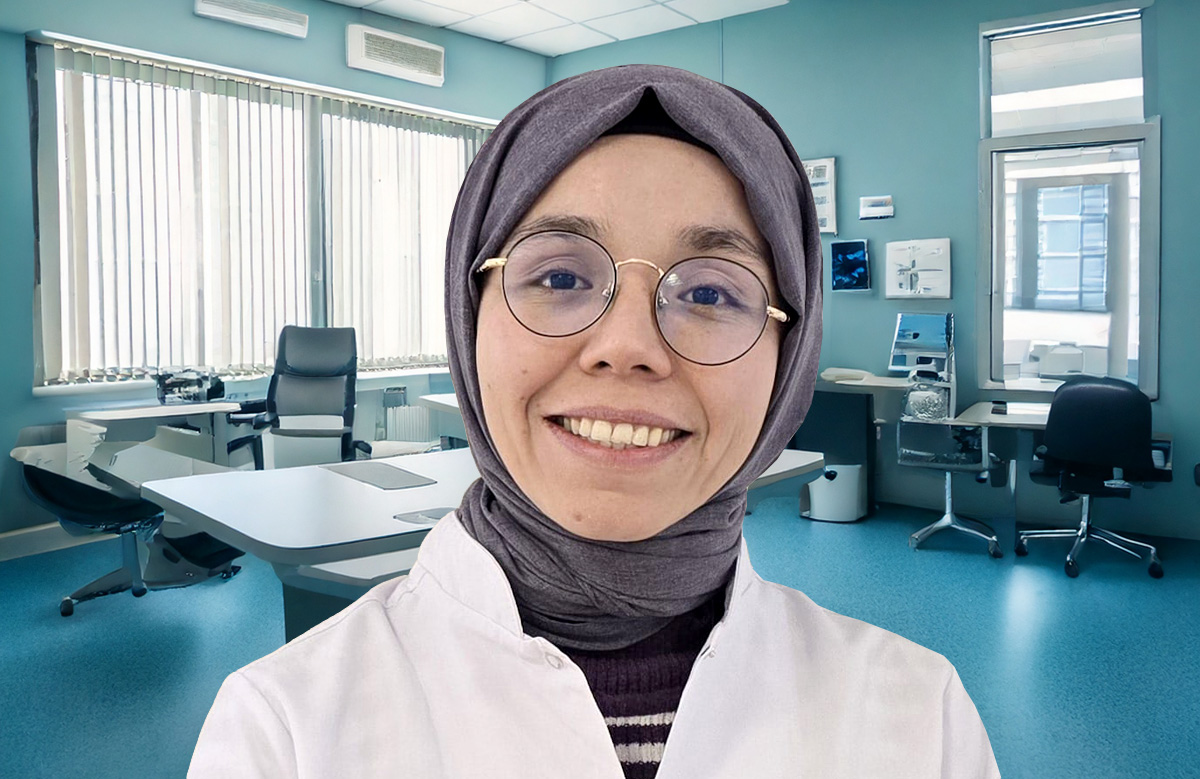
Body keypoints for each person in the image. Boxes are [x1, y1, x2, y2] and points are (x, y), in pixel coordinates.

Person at [189, 65, 1000, 778]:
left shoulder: (919, 722)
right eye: (560, 277)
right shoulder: (280, 733)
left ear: (790, 352)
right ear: (470, 317)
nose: (626, 347)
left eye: (710, 292)